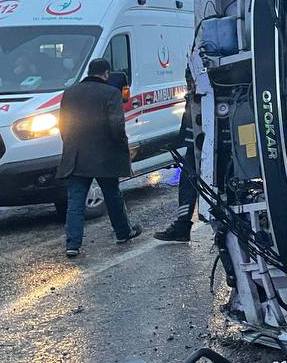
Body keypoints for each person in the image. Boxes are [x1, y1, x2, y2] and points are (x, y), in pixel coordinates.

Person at [56, 58, 142, 257]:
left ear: (89, 71)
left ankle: (73, 244)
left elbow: (63, 124)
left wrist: (69, 144)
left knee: (75, 201)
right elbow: (116, 125)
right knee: (112, 195)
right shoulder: (111, 93)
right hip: (104, 155)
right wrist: (121, 146)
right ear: (106, 74)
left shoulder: (70, 93)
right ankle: (123, 232)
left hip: (76, 155)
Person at [154, 101, 197, 242]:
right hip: (197, 142)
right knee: (187, 184)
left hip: (209, 140)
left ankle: (182, 226)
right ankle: (182, 226)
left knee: (189, 185)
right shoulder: (197, 89)